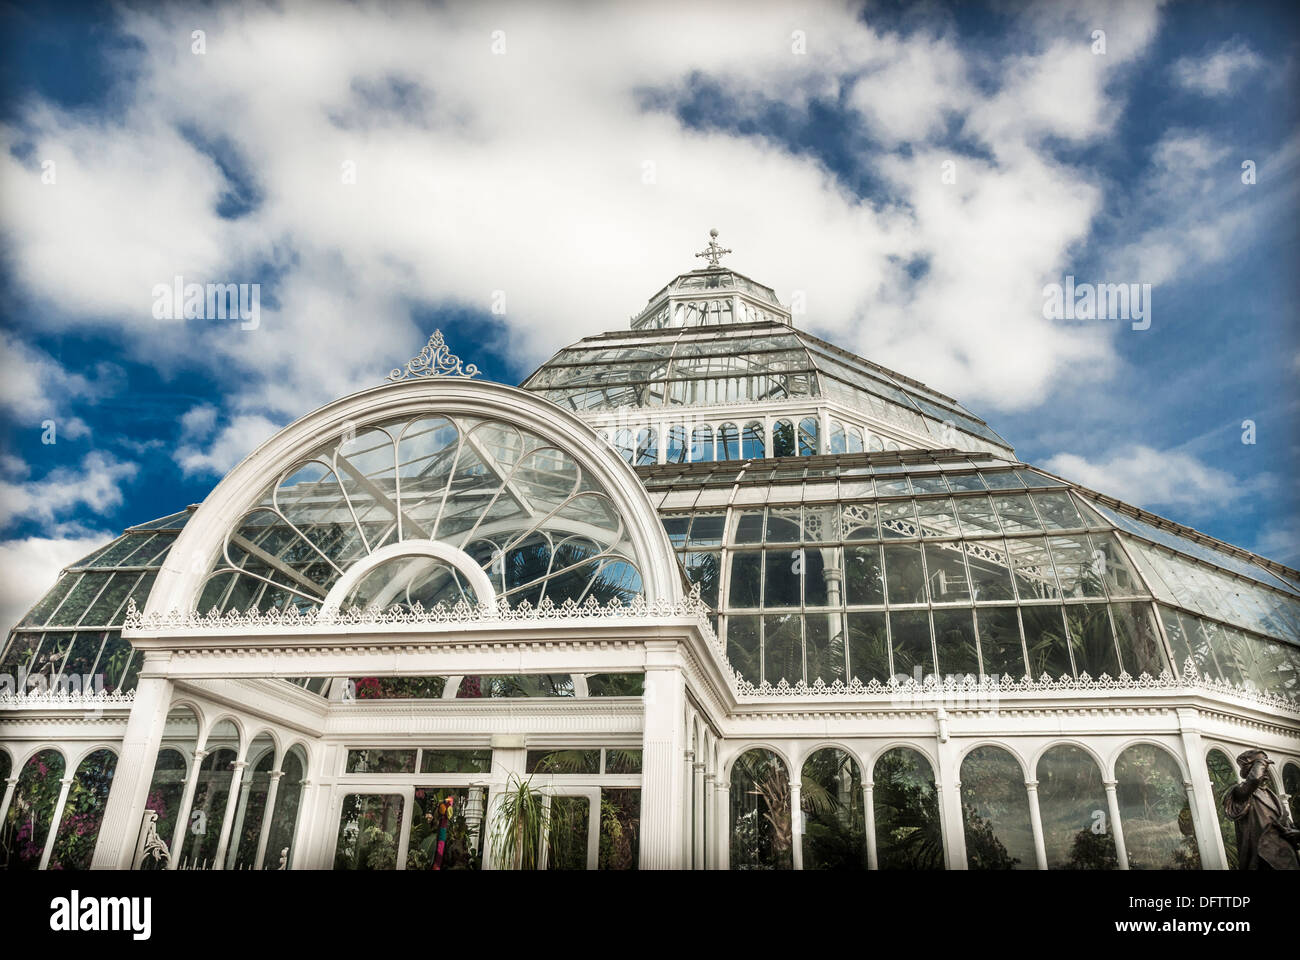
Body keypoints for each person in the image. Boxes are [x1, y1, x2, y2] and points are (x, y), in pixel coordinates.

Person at [1223, 749, 1300, 870]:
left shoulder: (1275, 798)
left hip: (1287, 858)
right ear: (1250, 769)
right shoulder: (1240, 792)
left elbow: (1289, 825)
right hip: (1262, 857)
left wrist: (1296, 834)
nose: (1266, 768)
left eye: (1266, 765)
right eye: (1262, 764)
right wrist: (1261, 761)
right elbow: (1253, 780)